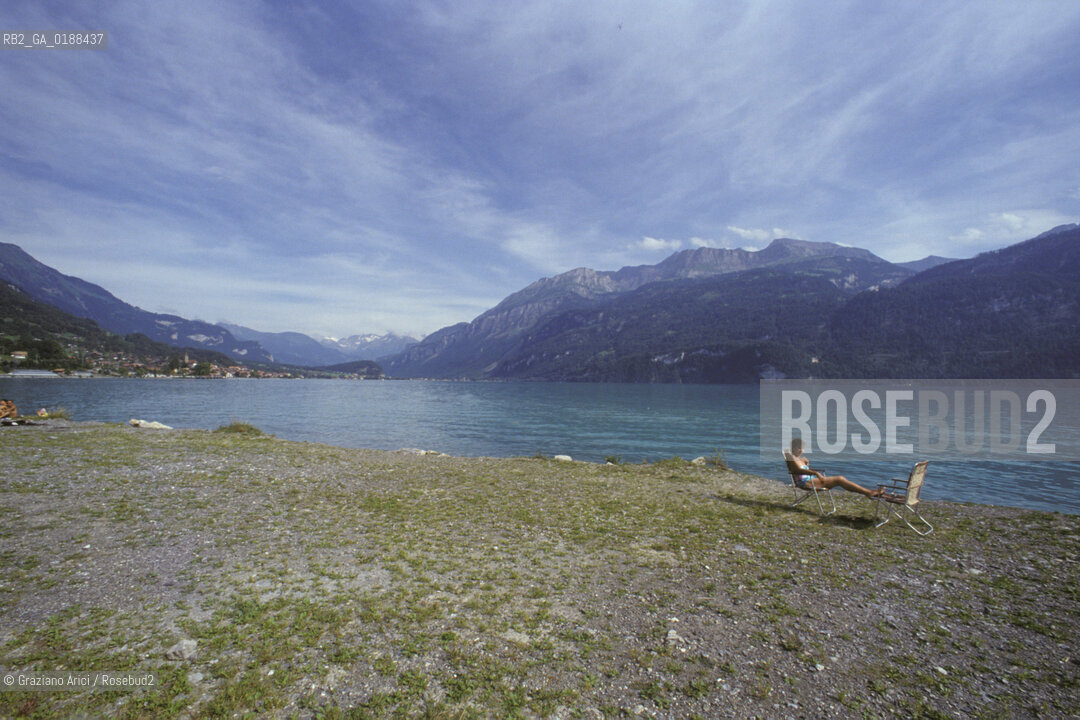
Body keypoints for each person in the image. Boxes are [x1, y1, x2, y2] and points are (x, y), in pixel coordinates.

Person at [785, 438, 882, 498]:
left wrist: (807, 464)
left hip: (811, 481)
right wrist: (816, 473)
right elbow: (797, 470)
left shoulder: (800, 459)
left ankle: (868, 492)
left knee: (841, 479)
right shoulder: (791, 457)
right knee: (839, 479)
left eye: (802, 448)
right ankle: (868, 492)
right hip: (805, 483)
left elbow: (802, 471)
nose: (801, 450)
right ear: (793, 448)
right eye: (798, 448)